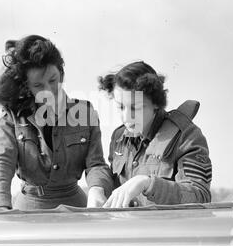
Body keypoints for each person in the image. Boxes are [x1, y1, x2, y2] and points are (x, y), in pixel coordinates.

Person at [0, 35, 113, 213]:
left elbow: (96, 164)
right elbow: (1, 161)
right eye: (38, 85)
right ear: (27, 87)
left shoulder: (85, 112)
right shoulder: (12, 117)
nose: (49, 90)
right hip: (28, 211)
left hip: (76, 209)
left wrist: (97, 189)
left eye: (53, 80)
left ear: (61, 72)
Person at [86, 61, 212, 208]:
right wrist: (97, 188)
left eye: (135, 108)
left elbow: (200, 195)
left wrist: (147, 183)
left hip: (167, 228)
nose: (126, 117)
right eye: (121, 107)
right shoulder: (119, 137)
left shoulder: (186, 137)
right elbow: (113, 180)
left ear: (156, 103)